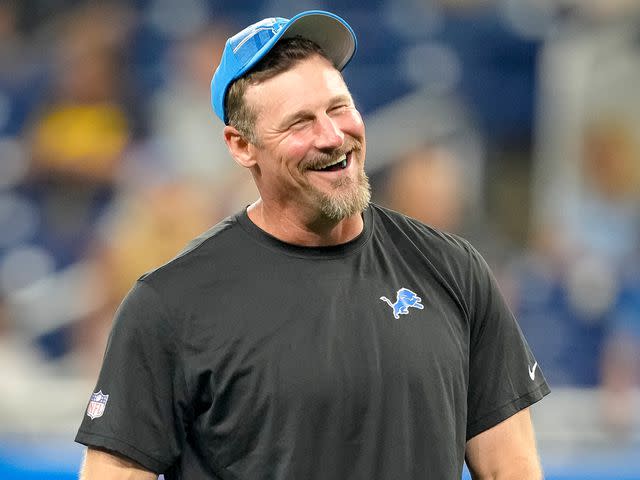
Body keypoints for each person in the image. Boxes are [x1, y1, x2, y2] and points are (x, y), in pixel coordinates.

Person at [76, 10, 550, 479]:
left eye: (339, 108)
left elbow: (513, 471)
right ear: (242, 146)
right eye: (300, 123)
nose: (332, 135)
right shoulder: (170, 305)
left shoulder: (454, 271)